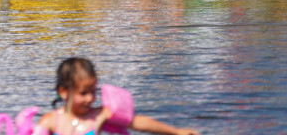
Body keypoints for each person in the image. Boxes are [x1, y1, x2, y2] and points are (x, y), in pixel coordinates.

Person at [35, 57, 199, 135]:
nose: (90, 98)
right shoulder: (50, 121)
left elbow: (136, 122)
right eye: (83, 93)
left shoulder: (98, 115)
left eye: (93, 91)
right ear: (64, 92)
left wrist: (176, 131)